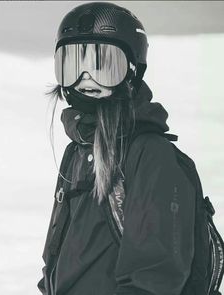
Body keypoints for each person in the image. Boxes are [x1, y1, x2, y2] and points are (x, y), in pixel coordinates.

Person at [37, 2, 196, 295]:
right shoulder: (78, 150)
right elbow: (57, 260)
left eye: (103, 63)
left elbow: (153, 280)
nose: (85, 77)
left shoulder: (150, 155)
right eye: (73, 62)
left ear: (133, 70)